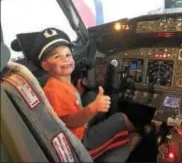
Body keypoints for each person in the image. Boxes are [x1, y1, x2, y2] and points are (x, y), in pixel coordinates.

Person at [30, 27, 137, 160]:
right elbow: (69, 122)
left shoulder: (60, 82)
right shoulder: (53, 90)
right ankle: (135, 138)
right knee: (121, 118)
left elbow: (70, 105)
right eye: (57, 56)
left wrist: (79, 92)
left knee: (93, 99)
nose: (65, 59)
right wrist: (93, 108)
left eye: (68, 55)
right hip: (79, 144)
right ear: (45, 65)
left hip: (79, 130)